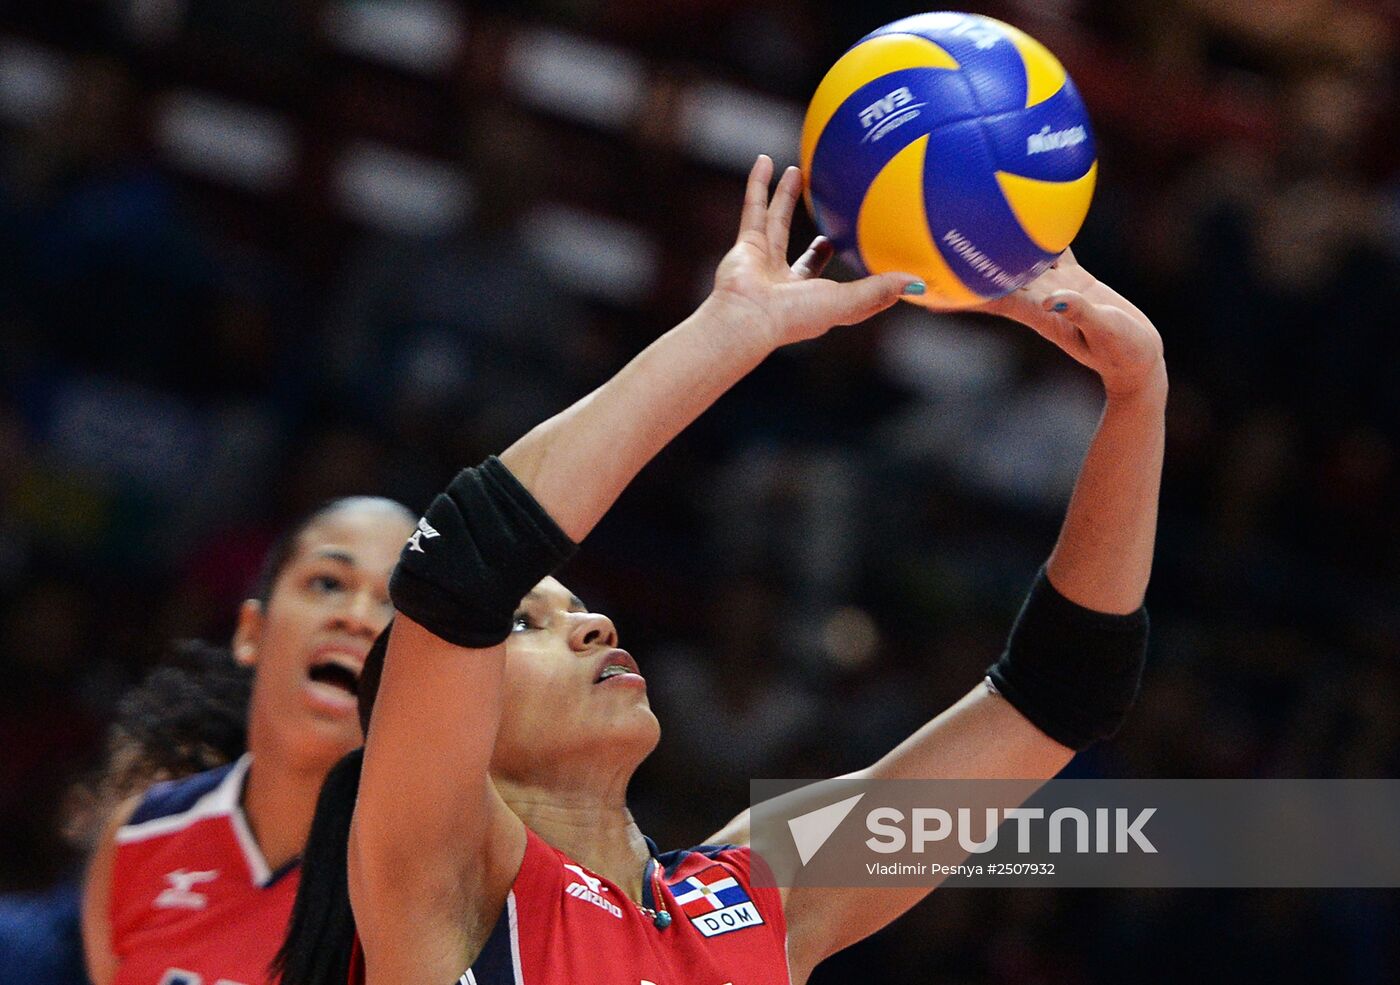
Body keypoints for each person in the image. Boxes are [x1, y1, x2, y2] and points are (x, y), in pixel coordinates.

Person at [278, 155, 1166, 985]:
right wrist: (729, 332)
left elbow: (1059, 693)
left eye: (571, 605)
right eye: (527, 624)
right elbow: (463, 567)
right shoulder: (440, 879)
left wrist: (1136, 395)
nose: (593, 624)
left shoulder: (755, 896)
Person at [81, 496, 416, 985]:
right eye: (328, 583)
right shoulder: (138, 837)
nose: (358, 616)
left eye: (393, 601)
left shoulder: (429, 879)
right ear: (250, 633)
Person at [0, 642, 253, 985]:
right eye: (148, 808)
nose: (159, 835)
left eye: (189, 810)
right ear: (80, 811)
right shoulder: (12, 948)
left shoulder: (265, 958)